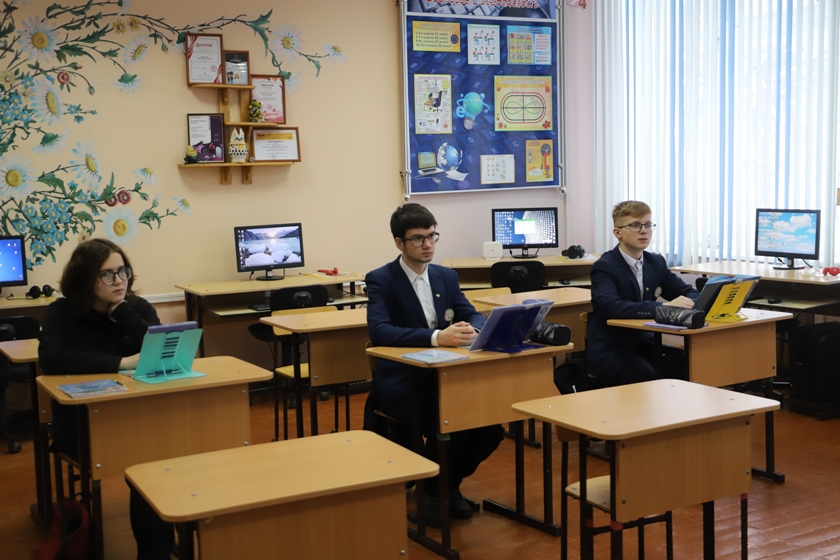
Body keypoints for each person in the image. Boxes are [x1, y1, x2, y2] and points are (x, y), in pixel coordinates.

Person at [365, 203, 504, 528]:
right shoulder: (381, 279)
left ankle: (442, 485)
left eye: (432, 236)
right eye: (418, 239)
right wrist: (437, 337)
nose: (428, 244)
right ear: (399, 243)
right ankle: (435, 490)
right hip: (405, 381)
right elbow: (379, 331)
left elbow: (471, 313)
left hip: (449, 375)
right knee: (454, 423)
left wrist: (475, 329)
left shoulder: (445, 276)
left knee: (490, 429)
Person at [39, 238, 173, 560]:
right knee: (149, 459)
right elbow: (52, 359)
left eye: (123, 271)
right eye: (107, 274)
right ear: (85, 279)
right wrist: (121, 363)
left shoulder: (136, 308)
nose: (119, 280)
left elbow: (159, 351)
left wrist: (124, 312)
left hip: (139, 417)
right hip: (84, 424)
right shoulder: (62, 312)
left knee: (157, 461)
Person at [587, 201, 700, 386]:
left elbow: (688, 292)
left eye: (647, 225)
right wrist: (663, 308)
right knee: (646, 377)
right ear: (617, 232)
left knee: (684, 362)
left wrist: (693, 302)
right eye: (635, 225)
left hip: (645, 343)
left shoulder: (655, 262)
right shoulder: (605, 266)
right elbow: (611, 307)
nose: (643, 231)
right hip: (612, 350)